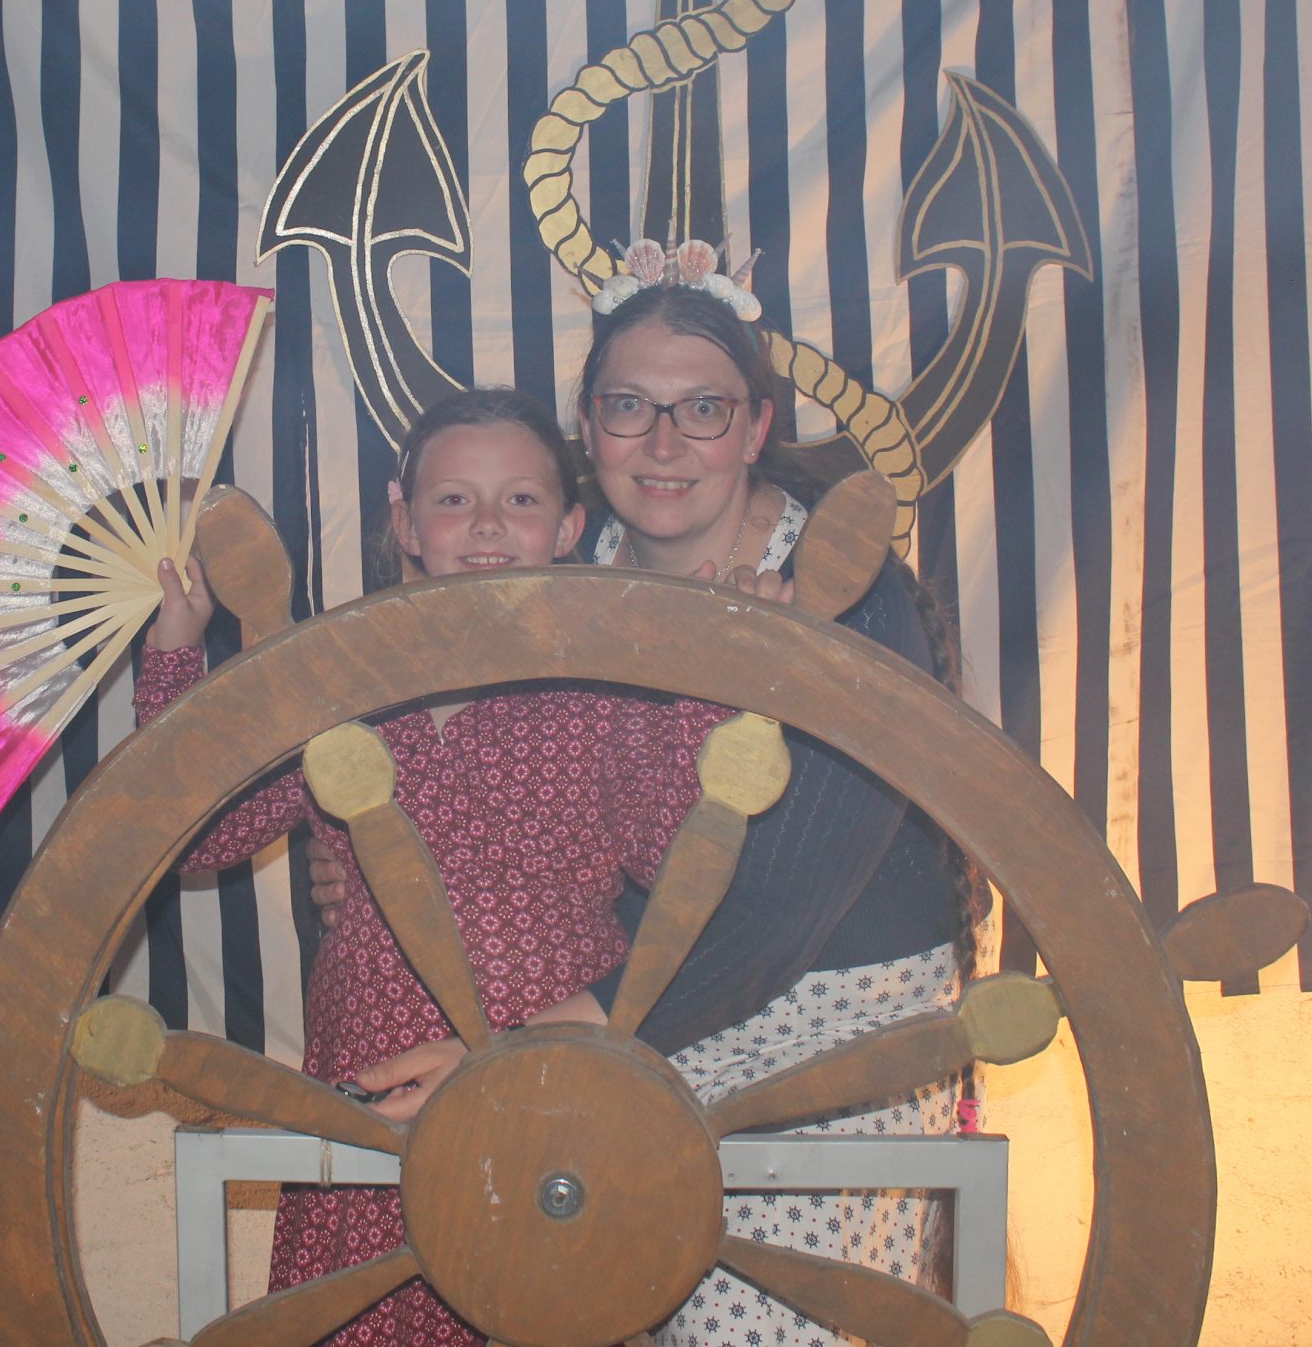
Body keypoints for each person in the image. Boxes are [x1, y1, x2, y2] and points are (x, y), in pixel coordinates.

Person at [339, 268, 973, 1345]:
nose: (665, 441)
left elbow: (781, 903)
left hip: (818, 1022)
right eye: (629, 406)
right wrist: (351, 850)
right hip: (626, 1013)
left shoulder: (844, 589)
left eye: (703, 408)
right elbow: (491, 777)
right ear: (590, 430)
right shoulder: (567, 572)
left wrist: (517, 1047)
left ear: (756, 427)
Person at [136, 385, 730, 1347]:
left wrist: (705, 683)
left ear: (569, 527)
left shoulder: (611, 687)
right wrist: (175, 654)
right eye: (454, 499)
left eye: (521, 500)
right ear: (405, 519)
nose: (487, 524)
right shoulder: (338, 676)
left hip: (551, 1111)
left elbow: (680, 859)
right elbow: (199, 834)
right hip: (368, 1111)